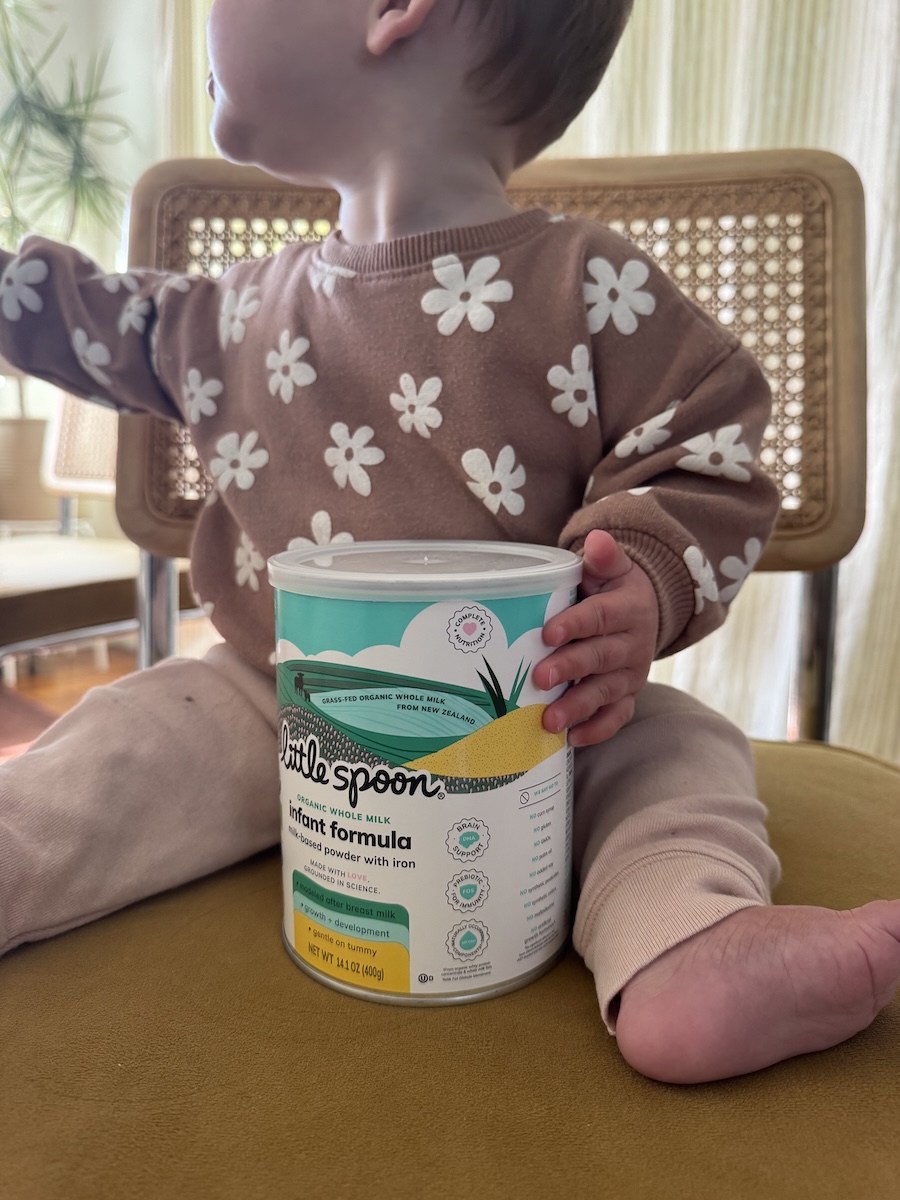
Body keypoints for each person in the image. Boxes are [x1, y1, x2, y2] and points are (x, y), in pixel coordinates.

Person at [1, 0, 898, 1085]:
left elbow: (704, 448)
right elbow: (67, 314)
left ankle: (683, 942)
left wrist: (639, 585)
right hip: (278, 698)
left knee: (680, 751)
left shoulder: (589, 290)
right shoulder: (223, 316)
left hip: (533, 718)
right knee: (121, 745)